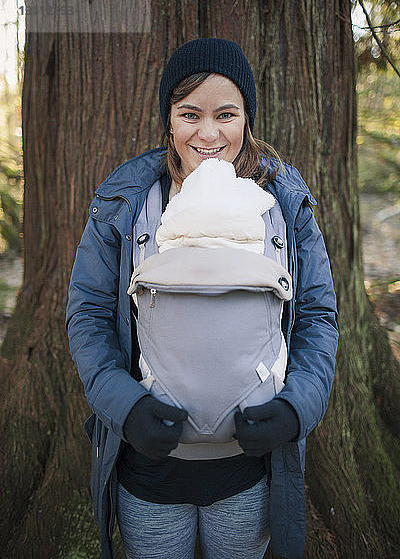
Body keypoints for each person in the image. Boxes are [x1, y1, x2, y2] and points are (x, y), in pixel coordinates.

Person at [66, 38, 339, 559]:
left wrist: (295, 409)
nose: (209, 133)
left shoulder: (283, 203)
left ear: (247, 119)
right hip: (150, 472)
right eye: (190, 113)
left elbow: (318, 317)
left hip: (247, 470)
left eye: (227, 114)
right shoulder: (126, 203)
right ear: (169, 119)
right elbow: (89, 314)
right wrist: (125, 406)